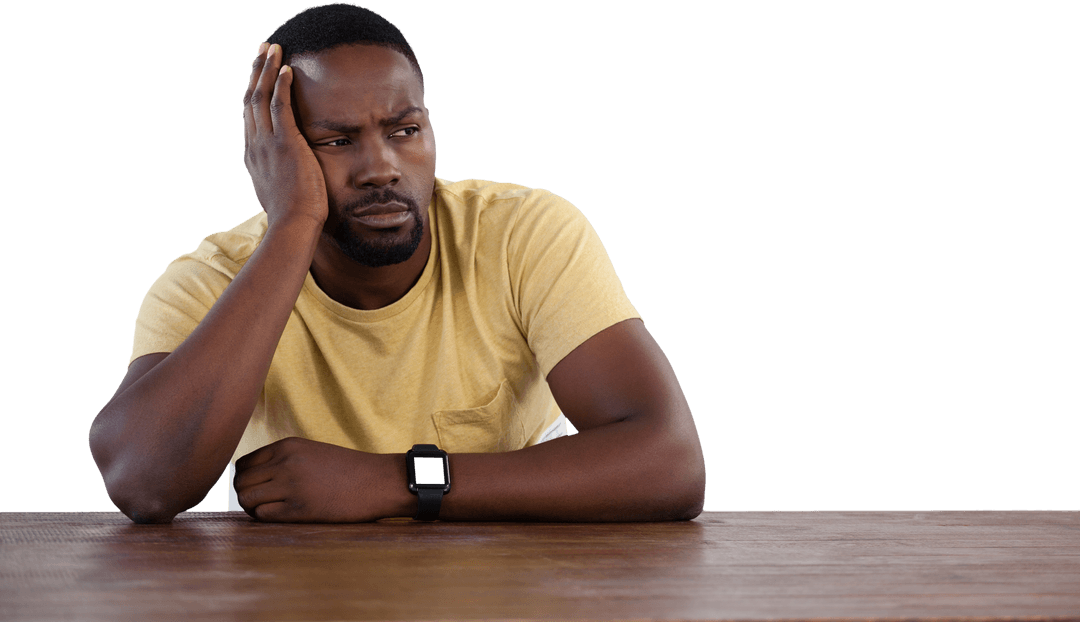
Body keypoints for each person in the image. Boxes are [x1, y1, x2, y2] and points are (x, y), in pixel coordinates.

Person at [88, 3, 706, 524]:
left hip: (504, 598)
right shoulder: (213, 278)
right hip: (290, 600)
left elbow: (670, 462)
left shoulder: (523, 234)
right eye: (336, 141)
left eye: (404, 130)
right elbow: (144, 482)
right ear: (275, 152)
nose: (381, 166)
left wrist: (400, 482)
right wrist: (294, 224)